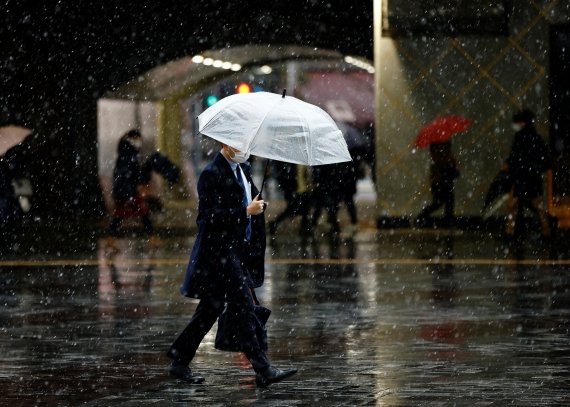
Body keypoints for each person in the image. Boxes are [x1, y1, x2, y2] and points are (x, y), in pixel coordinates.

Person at [167, 144, 297, 387]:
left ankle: (179, 359)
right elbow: (207, 217)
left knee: (209, 311)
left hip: (237, 253)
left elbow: (249, 202)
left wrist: (257, 206)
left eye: (247, 146)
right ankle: (263, 368)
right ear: (225, 145)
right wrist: (245, 211)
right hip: (220, 255)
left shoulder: (243, 170)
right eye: (239, 145)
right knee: (244, 308)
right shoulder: (211, 173)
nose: (245, 151)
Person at [503, 109, 551, 238]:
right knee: (537, 205)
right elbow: (545, 160)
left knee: (513, 205)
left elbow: (515, 157)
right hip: (532, 177)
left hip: (521, 177)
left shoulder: (520, 138)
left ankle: (510, 231)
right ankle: (546, 230)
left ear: (522, 123)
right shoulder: (536, 138)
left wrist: (511, 166)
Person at [106, 129, 157, 248]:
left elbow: (125, 172)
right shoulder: (129, 153)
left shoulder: (126, 151)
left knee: (121, 215)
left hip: (125, 190)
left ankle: (111, 239)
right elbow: (132, 172)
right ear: (133, 139)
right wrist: (139, 181)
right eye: (137, 139)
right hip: (128, 190)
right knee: (142, 213)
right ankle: (152, 238)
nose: (139, 142)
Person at [416, 141, 459, 226]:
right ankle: (422, 217)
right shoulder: (441, 158)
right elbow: (449, 173)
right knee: (442, 203)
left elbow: (454, 173)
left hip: (444, 185)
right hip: (440, 185)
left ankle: (447, 222)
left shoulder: (446, 157)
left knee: (446, 204)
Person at [268, 162, 312, 236]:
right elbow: (287, 177)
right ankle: (275, 223)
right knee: (291, 210)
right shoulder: (291, 163)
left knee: (305, 210)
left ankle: (305, 229)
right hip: (295, 192)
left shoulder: (303, 163)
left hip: (304, 191)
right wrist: (290, 190)